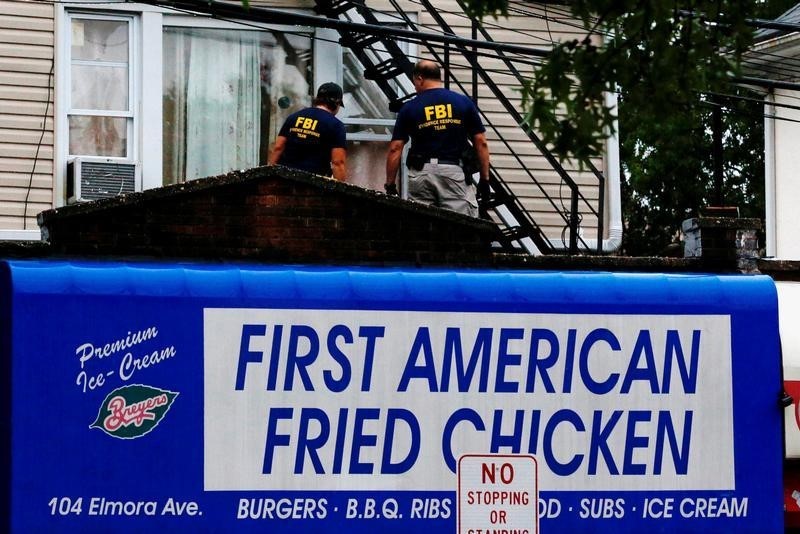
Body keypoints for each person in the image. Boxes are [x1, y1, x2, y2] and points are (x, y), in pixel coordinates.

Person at [385, 60, 490, 217]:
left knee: (423, 228)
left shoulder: (409, 108)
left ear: (420, 78)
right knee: (460, 226)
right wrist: (484, 179)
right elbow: (481, 142)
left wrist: (390, 184)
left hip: (421, 173)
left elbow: (395, 148)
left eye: (414, 82)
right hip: (453, 172)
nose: (415, 86)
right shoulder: (462, 102)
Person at [269, 82, 347, 181]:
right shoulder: (336, 126)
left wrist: (269, 177)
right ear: (337, 103)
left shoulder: (294, 117)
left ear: (318, 99)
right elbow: (338, 162)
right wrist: (341, 192)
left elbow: (278, 148)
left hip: (285, 179)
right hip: (312, 184)